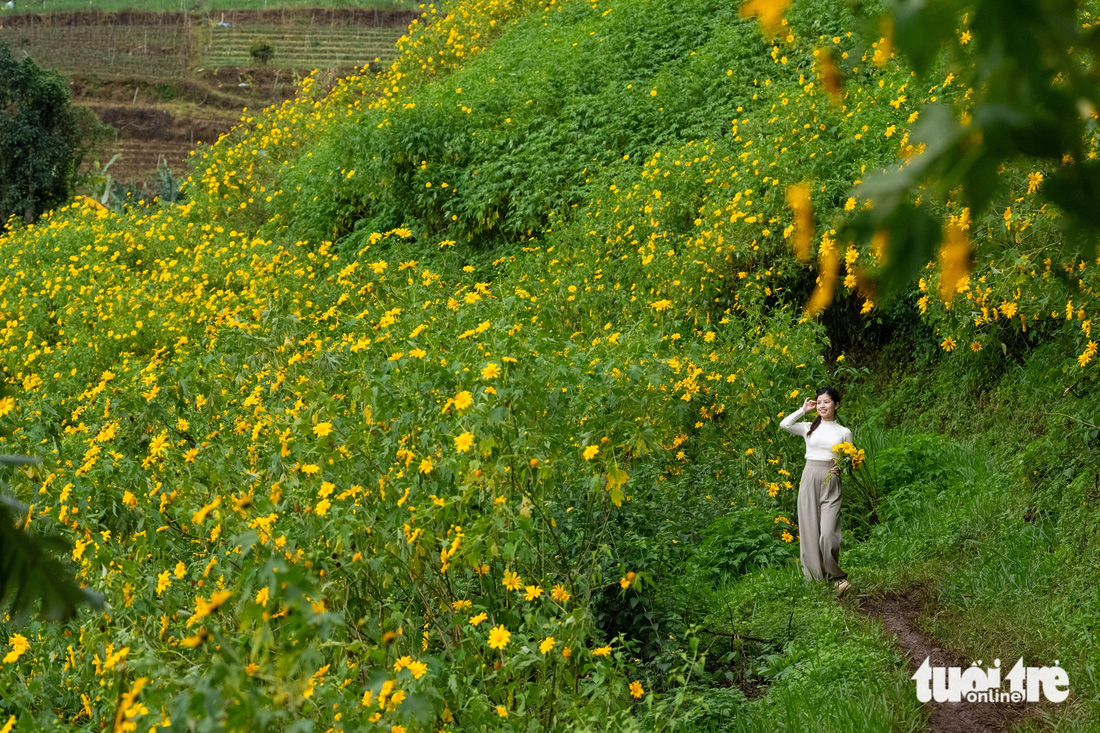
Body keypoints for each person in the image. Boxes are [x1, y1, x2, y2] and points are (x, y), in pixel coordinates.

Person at [778, 387, 853, 596]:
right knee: (810, 531)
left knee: (829, 534)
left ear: (836, 405)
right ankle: (815, 582)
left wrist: (842, 467)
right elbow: (784, 424)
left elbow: (850, 460)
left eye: (827, 402)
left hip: (832, 480)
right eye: (819, 402)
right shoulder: (808, 427)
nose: (822, 405)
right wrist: (802, 410)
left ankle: (837, 578)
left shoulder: (844, 432)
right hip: (809, 477)